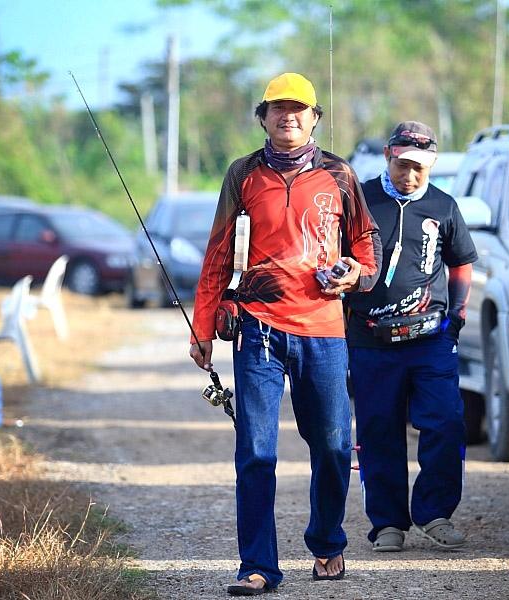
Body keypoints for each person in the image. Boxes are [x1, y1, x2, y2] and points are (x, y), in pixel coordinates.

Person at [188, 72, 381, 596]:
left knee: (336, 446)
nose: (287, 116)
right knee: (255, 451)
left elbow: (366, 245)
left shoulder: (340, 175)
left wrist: (354, 274)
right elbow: (217, 253)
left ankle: (325, 540)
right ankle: (257, 566)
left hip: (323, 330)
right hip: (259, 330)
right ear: (263, 116)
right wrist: (203, 326)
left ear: (315, 117)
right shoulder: (243, 174)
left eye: (299, 109)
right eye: (277, 108)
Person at [346, 121, 477, 553]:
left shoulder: (443, 205)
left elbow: (460, 263)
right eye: (404, 164)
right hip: (370, 340)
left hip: (429, 339)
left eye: (421, 167)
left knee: (445, 421)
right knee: (378, 429)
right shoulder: (359, 199)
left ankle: (434, 513)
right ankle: (388, 523)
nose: (411, 175)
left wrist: (456, 313)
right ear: (388, 155)